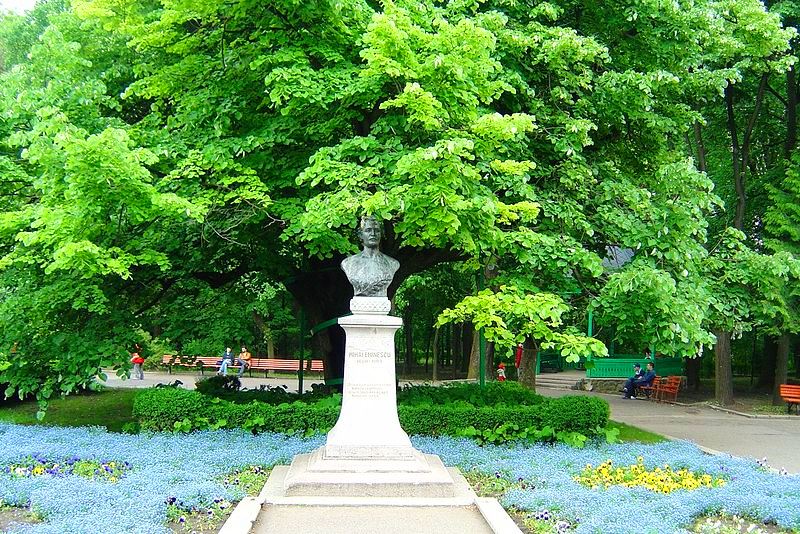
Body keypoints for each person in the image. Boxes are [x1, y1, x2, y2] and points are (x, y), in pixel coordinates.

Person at [341, 216, 400, 297]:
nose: (373, 234)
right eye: (368, 230)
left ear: (381, 234)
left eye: (377, 231)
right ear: (360, 235)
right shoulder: (348, 263)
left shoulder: (392, 263)